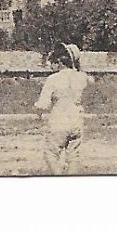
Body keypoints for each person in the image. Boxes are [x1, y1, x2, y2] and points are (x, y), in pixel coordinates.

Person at [36, 43, 90, 175]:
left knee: (51, 154)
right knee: (73, 157)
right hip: (77, 121)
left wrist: (37, 109)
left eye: (53, 62)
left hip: (59, 122)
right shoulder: (82, 78)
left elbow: (43, 104)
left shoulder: (53, 79)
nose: (51, 65)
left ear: (60, 61)